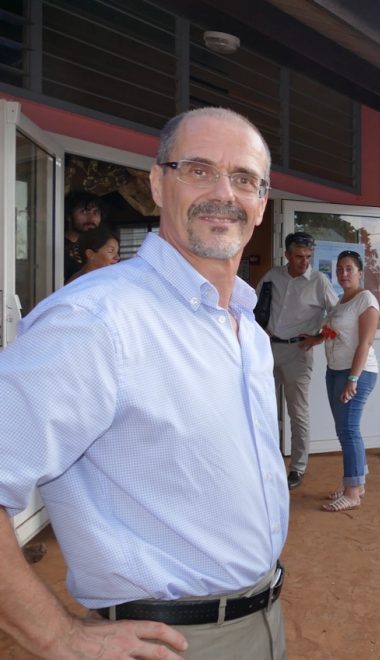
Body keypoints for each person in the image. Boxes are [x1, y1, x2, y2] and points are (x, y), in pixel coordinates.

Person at [0, 107, 289, 660]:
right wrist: (56, 636)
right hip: (168, 643)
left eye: (243, 178)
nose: (223, 193)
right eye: (199, 170)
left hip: (264, 622)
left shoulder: (245, 328)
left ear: (261, 202)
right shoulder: (97, 321)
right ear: (158, 184)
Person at [256, 231, 338, 489]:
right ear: (287, 255)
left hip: (298, 353)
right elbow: (254, 306)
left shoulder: (319, 281)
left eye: (308, 257)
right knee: (262, 410)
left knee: (297, 412)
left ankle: (298, 468)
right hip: (268, 350)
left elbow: (338, 315)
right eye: (299, 256)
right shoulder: (273, 276)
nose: (305, 262)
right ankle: (265, 464)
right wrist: (259, 331)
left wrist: (319, 338)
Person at [320, 250, 379, 512]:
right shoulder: (341, 301)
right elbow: (335, 333)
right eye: (340, 269)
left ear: (360, 273)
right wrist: (316, 338)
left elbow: (365, 342)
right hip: (335, 370)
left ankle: (353, 492)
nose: (343, 274)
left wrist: (353, 379)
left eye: (349, 269)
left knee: (348, 430)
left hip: (357, 373)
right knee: (345, 429)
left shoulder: (366, 300)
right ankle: (358, 482)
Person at [63, 190, 103, 282]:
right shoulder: (58, 247)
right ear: (69, 215)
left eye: (95, 212)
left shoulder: (97, 246)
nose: (91, 218)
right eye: (84, 212)